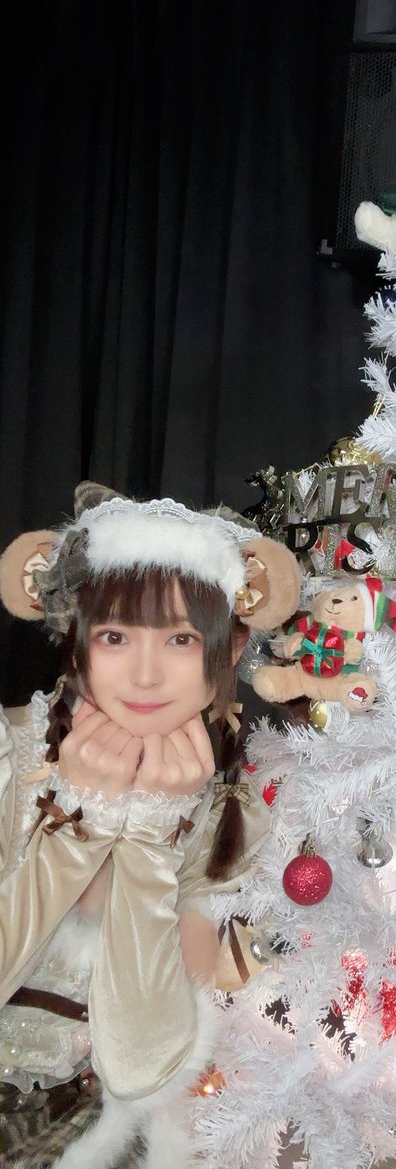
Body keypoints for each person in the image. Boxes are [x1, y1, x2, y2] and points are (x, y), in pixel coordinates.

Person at [0, 482, 300, 1168]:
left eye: (181, 639)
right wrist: (79, 824)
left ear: (230, 648)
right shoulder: (11, 756)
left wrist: (147, 835)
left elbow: (143, 1068)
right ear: (76, 640)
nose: (144, 674)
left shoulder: (231, 818)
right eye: (115, 636)